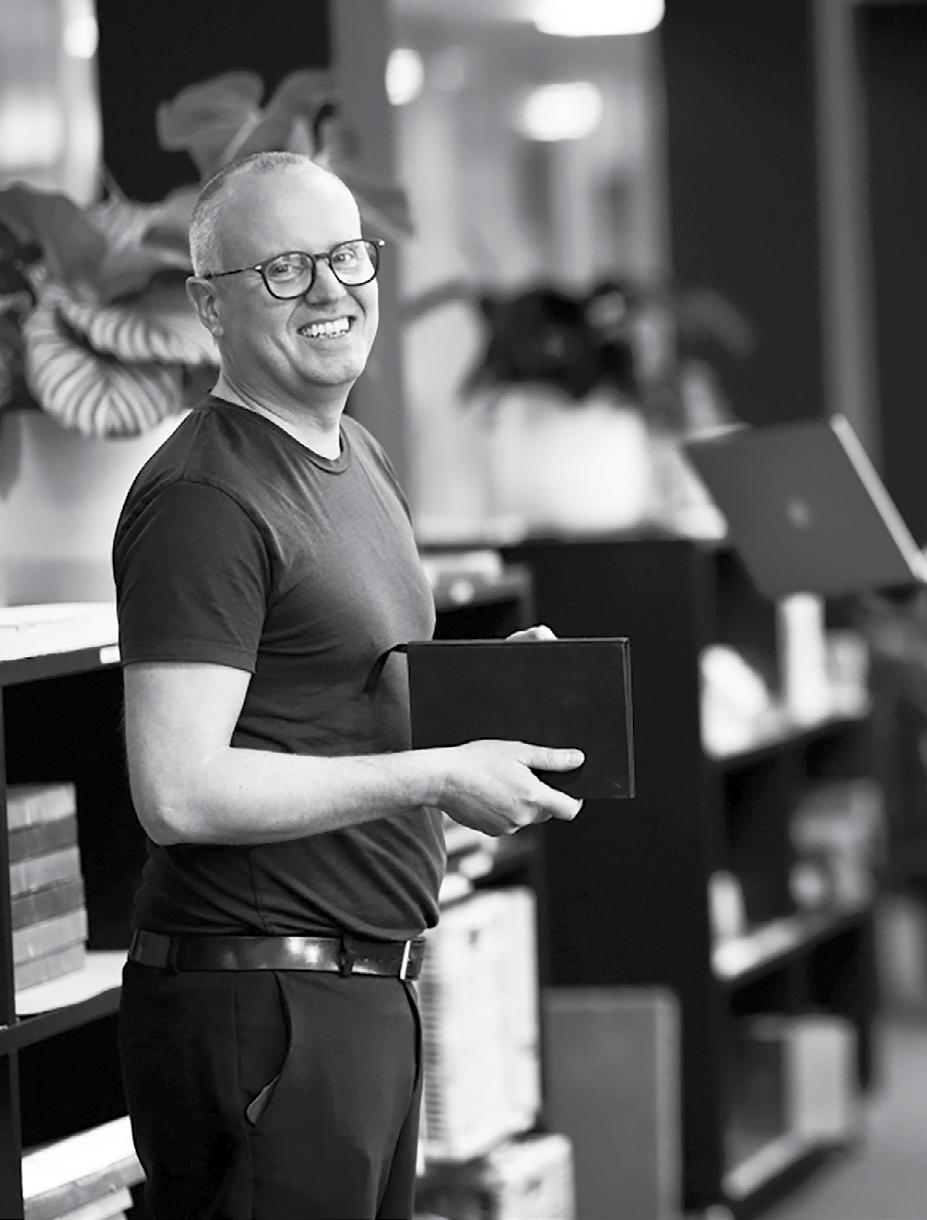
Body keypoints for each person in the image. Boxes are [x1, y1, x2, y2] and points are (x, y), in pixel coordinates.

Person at [112, 151, 586, 1219]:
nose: (330, 289)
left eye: (346, 256)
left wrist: (485, 699)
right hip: (263, 1005)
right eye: (284, 268)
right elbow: (179, 790)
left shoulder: (356, 453)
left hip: (361, 991)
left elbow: (331, 697)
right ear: (210, 306)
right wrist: (435, 776)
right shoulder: (203, 499)